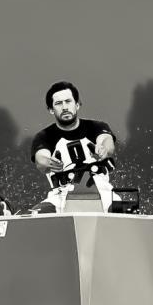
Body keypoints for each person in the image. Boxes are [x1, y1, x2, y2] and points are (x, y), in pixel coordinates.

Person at [27, 81, 116, 213]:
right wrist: (49, 163)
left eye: (68, 101)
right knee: (34, 216)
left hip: (104, 193)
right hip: (60, 195)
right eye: (58, 103)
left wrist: (103, 150)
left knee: (129, 211)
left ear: (77, 104)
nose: (64, 107)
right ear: (51, 110)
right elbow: (41, 159)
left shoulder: (97, 127)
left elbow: (107, 142)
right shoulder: (44, 136)